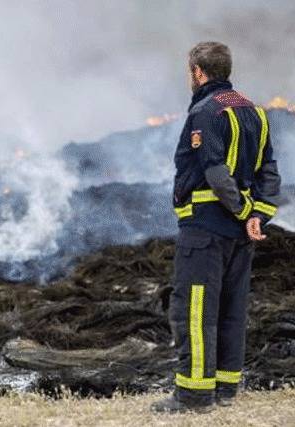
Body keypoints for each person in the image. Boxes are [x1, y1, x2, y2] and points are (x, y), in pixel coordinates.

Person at [151, 41, 282, 413]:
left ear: (198, 71)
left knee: (193, 310)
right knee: (231, 309)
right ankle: (225, 389)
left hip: (205, 230)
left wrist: (242, 211)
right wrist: (258, 215)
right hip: (240, 237)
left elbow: (214, 171)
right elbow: (269, 171)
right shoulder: (255, 111)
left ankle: (193, 396)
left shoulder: (206, 112)